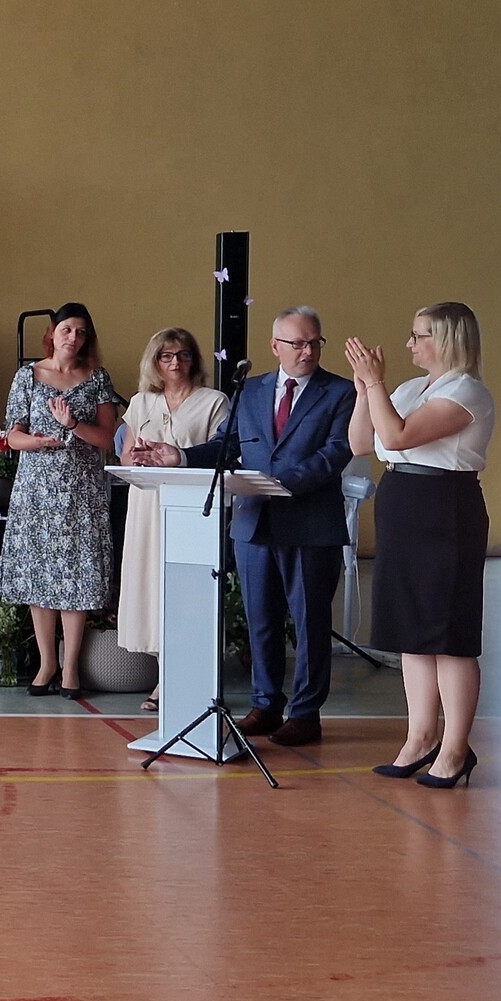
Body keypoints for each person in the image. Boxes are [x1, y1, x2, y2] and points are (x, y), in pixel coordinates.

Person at [133, 306, 357, 747]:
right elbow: (226, 445)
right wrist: (180, 456)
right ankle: (266, 704)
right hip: (254, 523)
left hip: (310, 525)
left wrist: (282, 482)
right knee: (261, 620)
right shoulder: (250, 391)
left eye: (315, 342)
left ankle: (306, 713)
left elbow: (336, 452)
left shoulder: (339, 392)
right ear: (275, 346)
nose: (308, 351)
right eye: (298, 343)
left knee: (309, 624)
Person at [347, 303, 494, 788]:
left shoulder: (466, 391)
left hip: (445, 509)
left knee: (447, 633)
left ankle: (455, 749)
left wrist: (375, 384)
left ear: (447, 339)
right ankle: (420, 737)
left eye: (419, 335)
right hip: (403, 504)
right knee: (411, 630)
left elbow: (398, 435)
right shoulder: (411, 389)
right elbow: (362, 443)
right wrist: (363, 390)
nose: (409, 344)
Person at [0, 304, 124, 699]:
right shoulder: (28, 376)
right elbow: (12, 435)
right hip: (37, 490)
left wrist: (73, 425)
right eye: (67, 329)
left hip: (82, 490)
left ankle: (70, 668)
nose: (73, 338)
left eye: (81, 332)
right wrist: (37, 442)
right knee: (41, 576)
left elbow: (108, 439)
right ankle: (46, 662)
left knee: (77, 576)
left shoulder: (97, 378)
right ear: (52, 333)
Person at [116, 329, 231, 711]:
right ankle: (165, 675)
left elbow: (222, 453)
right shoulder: (141, 402)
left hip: (191, 505)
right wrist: (139, 456)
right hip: (147, 504)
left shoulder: (213, 401)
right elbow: (126, 455)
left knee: (186, 586)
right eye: (166, 356)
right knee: (150, 586)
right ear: (155, 362)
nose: (175, 363)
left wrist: (178, 455)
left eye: (182, 355)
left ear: (193, 359)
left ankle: (181, 680)